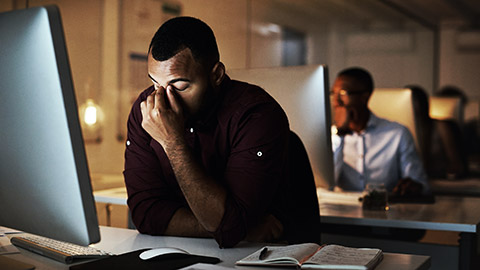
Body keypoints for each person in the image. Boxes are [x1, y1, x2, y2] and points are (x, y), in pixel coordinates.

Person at [123, 16, 320, 248]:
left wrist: (172, 142)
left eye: (180, 86)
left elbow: (229, 226)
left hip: (262, 256)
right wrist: (241, 229)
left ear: (216, 75)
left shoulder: (257, 114)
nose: (163, 102)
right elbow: (145, 215)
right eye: (156, 84)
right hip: (185, 252)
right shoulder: (145, 109)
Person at [330, 67, 430, 196]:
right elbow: (327, 184)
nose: (335, 101)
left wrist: (412, 187)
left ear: (365, 96)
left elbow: (421, 184)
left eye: (343, 93)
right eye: (333, 93)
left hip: (384, 209)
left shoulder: (397, 133)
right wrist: (341, 133)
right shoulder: (331, 136)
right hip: (341, 210)